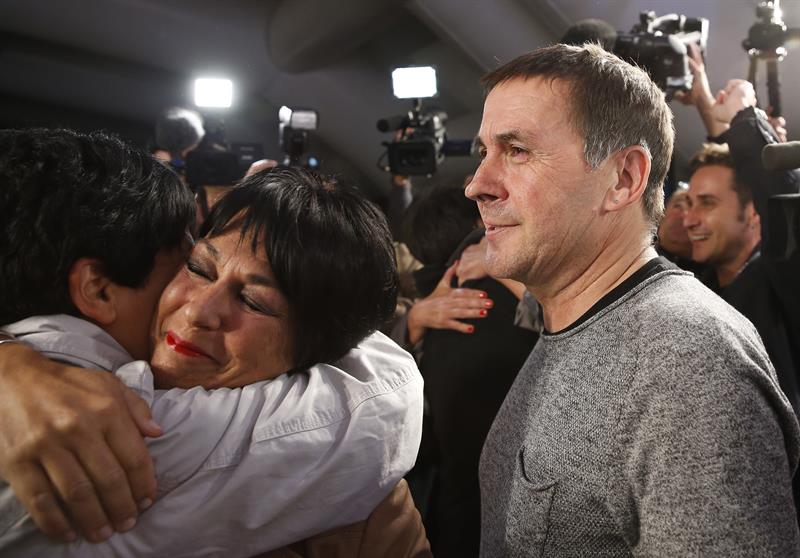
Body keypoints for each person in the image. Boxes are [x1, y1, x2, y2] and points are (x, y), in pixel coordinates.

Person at [0, 129, 425, 555]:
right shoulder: (46, 398)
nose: (200, 311)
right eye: (198, 268)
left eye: (254, 301)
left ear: (317, 349)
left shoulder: (365, 501)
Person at [465, 43, 800, 556]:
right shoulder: (574, 326)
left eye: (517, 150)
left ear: (623, 178)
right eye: (484, 153)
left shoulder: (686, 362)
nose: (478, 185)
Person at [681, 78, 800, 418]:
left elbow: (783, 199)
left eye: (706, 203)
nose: (689, 220)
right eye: (688, 203)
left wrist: (745, 116)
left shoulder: (783, 281)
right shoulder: (690, 290)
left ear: (751, 213)